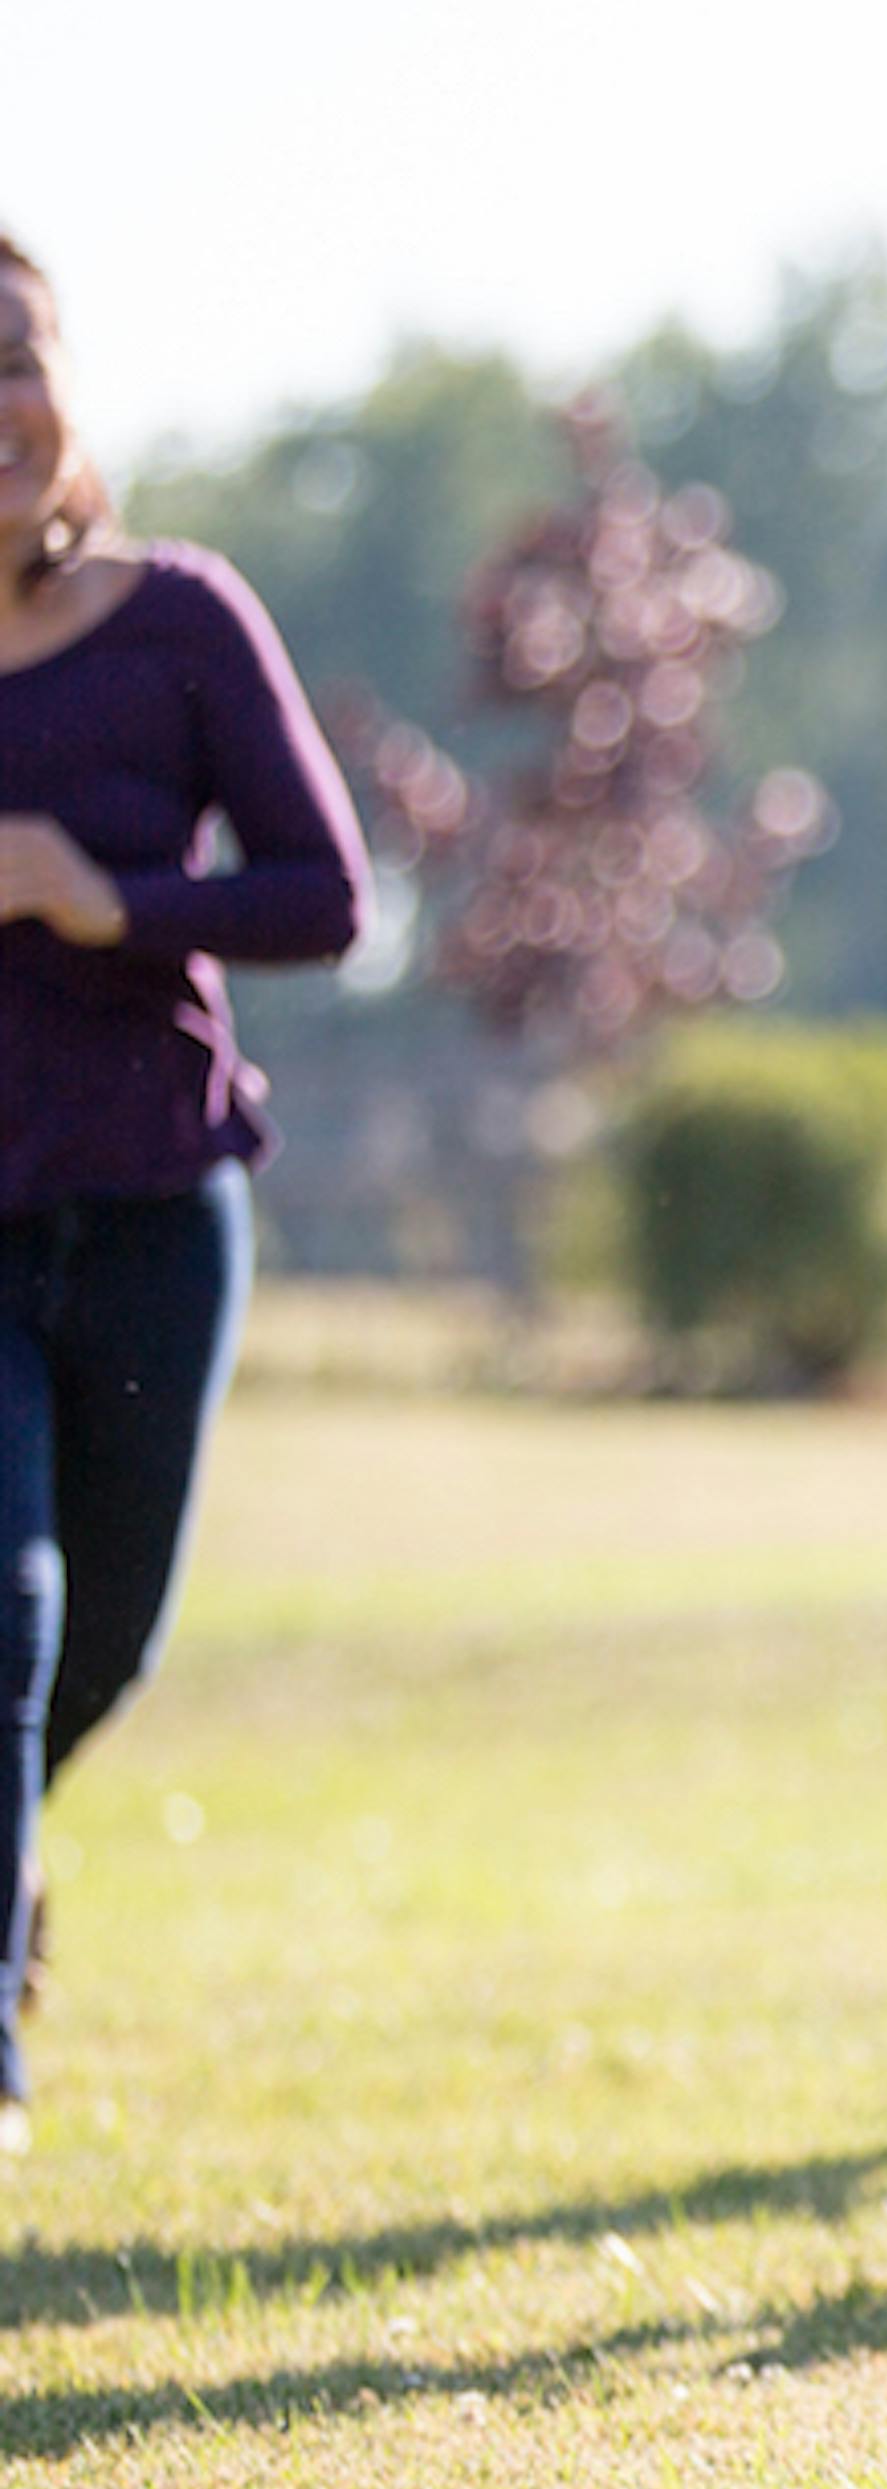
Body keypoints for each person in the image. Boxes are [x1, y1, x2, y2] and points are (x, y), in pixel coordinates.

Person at [1, 232, 369, 2152]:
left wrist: (107, 899)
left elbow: (329, 896)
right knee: (6, 1605)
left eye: (12, 356)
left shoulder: (184, 619)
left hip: (153, 1197)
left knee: (112, 1632)